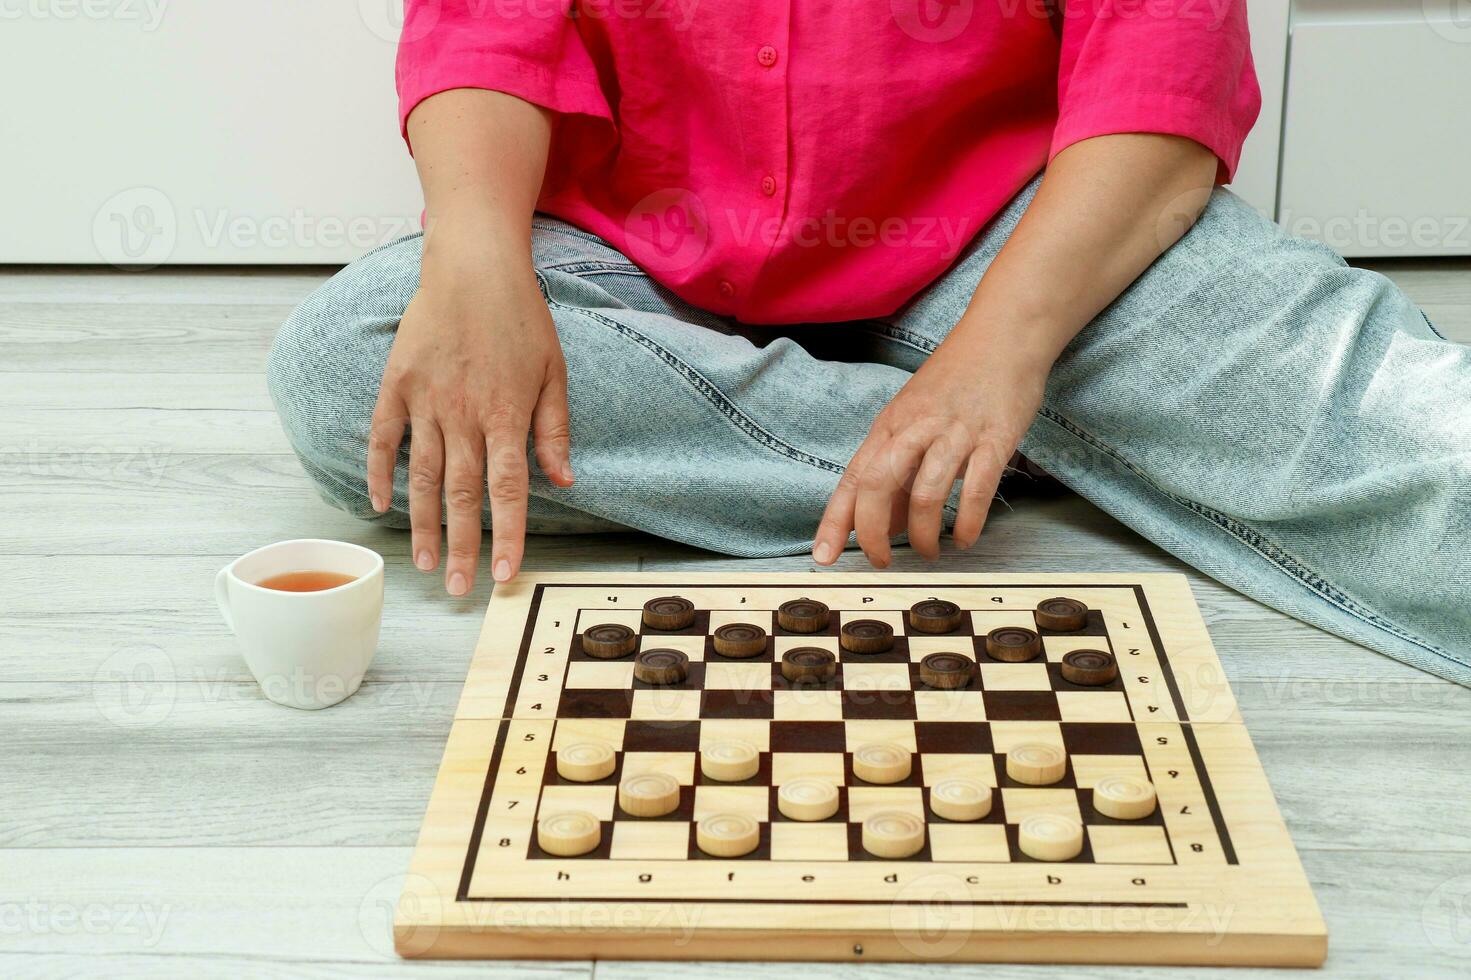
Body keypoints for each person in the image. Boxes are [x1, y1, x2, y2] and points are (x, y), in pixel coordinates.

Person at [268, 1, 1471, 686]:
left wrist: (1001, 350)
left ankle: (991, 416)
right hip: (637, 239)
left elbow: (1161, 66)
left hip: (1019, 238)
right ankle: (1020, 450)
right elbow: (485, 35)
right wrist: (475, 258)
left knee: (1412, 442)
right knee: (348, 369)